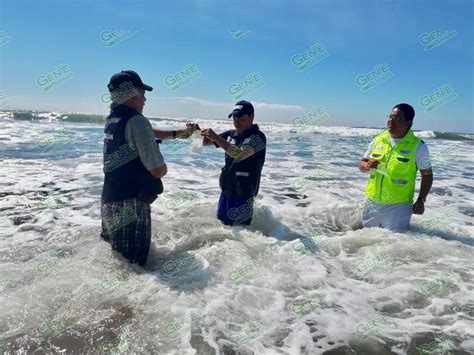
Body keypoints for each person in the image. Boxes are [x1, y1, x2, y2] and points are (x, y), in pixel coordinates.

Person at [100, 70, 198, 266]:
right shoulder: (137, 121)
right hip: (131, 205)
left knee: (119, 263)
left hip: (109, 200)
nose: (145, 99)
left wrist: (180, 134)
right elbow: (157, 169)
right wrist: (162, 166)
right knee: (136, 265)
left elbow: (149, 132)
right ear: (132, 94)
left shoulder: (113, 119)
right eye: (142, 93)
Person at [358, 103, 433, 232]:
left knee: (394, 243)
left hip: (398, 206)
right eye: (390, 117)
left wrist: (421, 200)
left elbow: (427, 175)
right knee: (365, 240)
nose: (391, 121)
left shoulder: (418, 146)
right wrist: (367, 165)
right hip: (372, 202)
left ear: (408, 123)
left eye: (397, 118)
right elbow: (362, 164)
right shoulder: (378, 140)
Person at [201, 100, 266, 226]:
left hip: (244, 194)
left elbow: (239, 154)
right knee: (222, 227)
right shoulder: (231, 134)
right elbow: (205, 142)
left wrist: (216, 137)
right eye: (235, 118)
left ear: (252, 117)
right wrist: (195, 131)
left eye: (241, 118)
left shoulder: (258, 138)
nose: (237, 122)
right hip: (227, 189)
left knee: (240, 233)